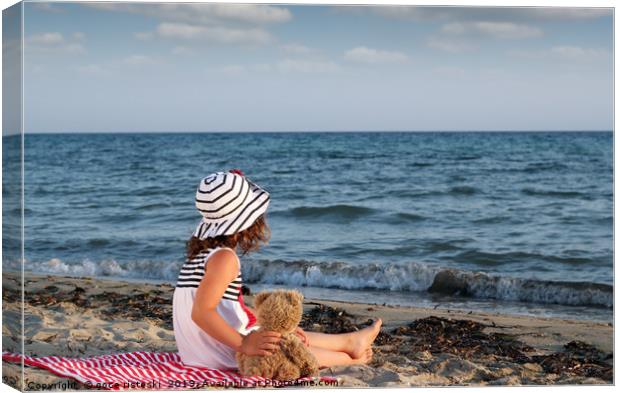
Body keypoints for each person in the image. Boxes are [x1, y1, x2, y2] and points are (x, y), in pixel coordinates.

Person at [172, 170, 382, 371]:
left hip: (198, 354)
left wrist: (269, 325)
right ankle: (349, 360)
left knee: (284, 335)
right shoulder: (224, 258)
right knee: (289, 350)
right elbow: (201, 312)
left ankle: (349, 341)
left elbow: (227, 308)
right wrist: (244, 343)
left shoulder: (201, 258)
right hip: (222, 355)